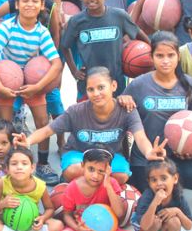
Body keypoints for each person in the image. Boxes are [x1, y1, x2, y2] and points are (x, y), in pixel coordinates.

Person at [20, 67, 165, 184]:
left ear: (113, 86)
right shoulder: (76, 111)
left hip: (110, 157)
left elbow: (140, 136)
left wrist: (148, 152)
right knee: (73, 171)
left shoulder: (126, 110)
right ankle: (79, 190)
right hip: (79, 155)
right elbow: (47, 131)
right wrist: (28, 141)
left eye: (101, 87)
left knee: (121, 176)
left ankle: (95, 192)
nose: (96, 93)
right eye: (91, 89)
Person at [0, 0, 63, 182]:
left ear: (42, 6)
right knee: (4, 125)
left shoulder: (41, 32)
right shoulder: (7, 27)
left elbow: (56, 64)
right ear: (17, 4)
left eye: (35, 0)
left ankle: (43, 163)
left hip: (32, 81)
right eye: (25, 0)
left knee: (43, 122)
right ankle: (3, 161)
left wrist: (38, 86)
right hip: (8, 79)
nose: (30, 4)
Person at [118, 32, 192, 192]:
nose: (165, 61)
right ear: (151, 57)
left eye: (171, 55)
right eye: (159, 55)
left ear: (178, 56)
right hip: (146, 154)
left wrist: (190, 148)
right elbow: (119, 110)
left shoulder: (189, 84)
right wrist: (122, 99)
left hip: (176, 154)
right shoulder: (138, 84)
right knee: (148, 192)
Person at [61, 0, 149, 96]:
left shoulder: (119, 16)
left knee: (116, 113)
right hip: (89, 82)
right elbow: (65, 46)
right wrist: (74, 70)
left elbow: (140, 34)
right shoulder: (76, 21)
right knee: (88, 114)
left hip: (116, 81)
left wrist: (152, 54)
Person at [55, 148, 142, 231]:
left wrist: (109, 187)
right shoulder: (73, 187)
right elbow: (67, 214)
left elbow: (119, 213)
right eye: (91, 169)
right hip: (82, 230)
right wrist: (78, 229)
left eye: (101, 171)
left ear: (108, 171)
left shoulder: (111, 183)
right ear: (82, 165)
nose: (95, 176)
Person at [0, 147, 62, 231]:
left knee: (57, 225)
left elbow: (50, 209)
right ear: (7, 169)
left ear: (32, 168)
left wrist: (43, 218)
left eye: (24, 163)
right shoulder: (1, 183)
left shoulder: (40, 186)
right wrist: (2, 205)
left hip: (30, 224)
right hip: (6, 222)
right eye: (14, 164)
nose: (19, 167)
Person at [132, 159, 192, 231]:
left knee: (175, 220)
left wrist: (177, 212)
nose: (159, 183)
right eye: (154, 180)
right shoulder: (147, 196)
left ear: (175, 178)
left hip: (164, 229)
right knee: (155, 220)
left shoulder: (178, 196)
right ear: (149, 182)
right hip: (144, 229)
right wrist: (154, 203)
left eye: (164, 178)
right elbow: (144, 225)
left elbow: (189, 226)